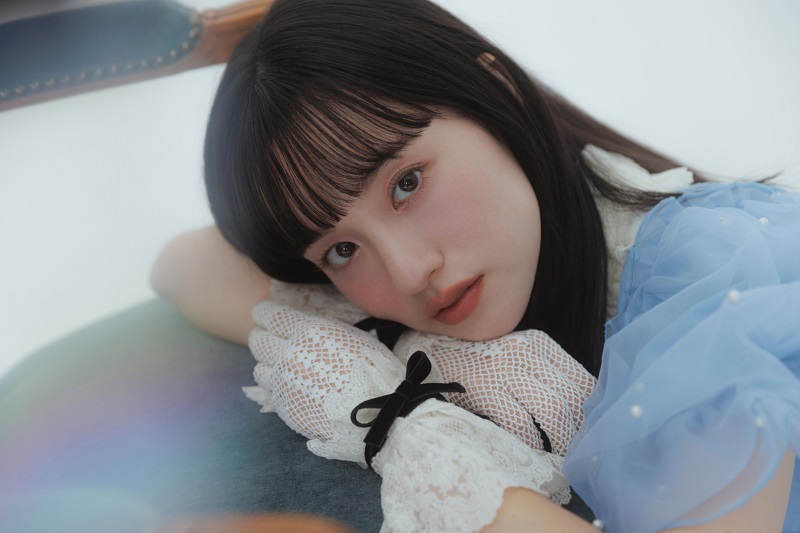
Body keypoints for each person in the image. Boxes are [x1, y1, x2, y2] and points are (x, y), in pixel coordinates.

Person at [150, 0, 800, 531]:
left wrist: (400, 422)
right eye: (342, 250)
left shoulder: (712, 270)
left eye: (407, 183)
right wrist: (409, 352)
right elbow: (180, 263)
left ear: (495, 93)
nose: (410, 273)